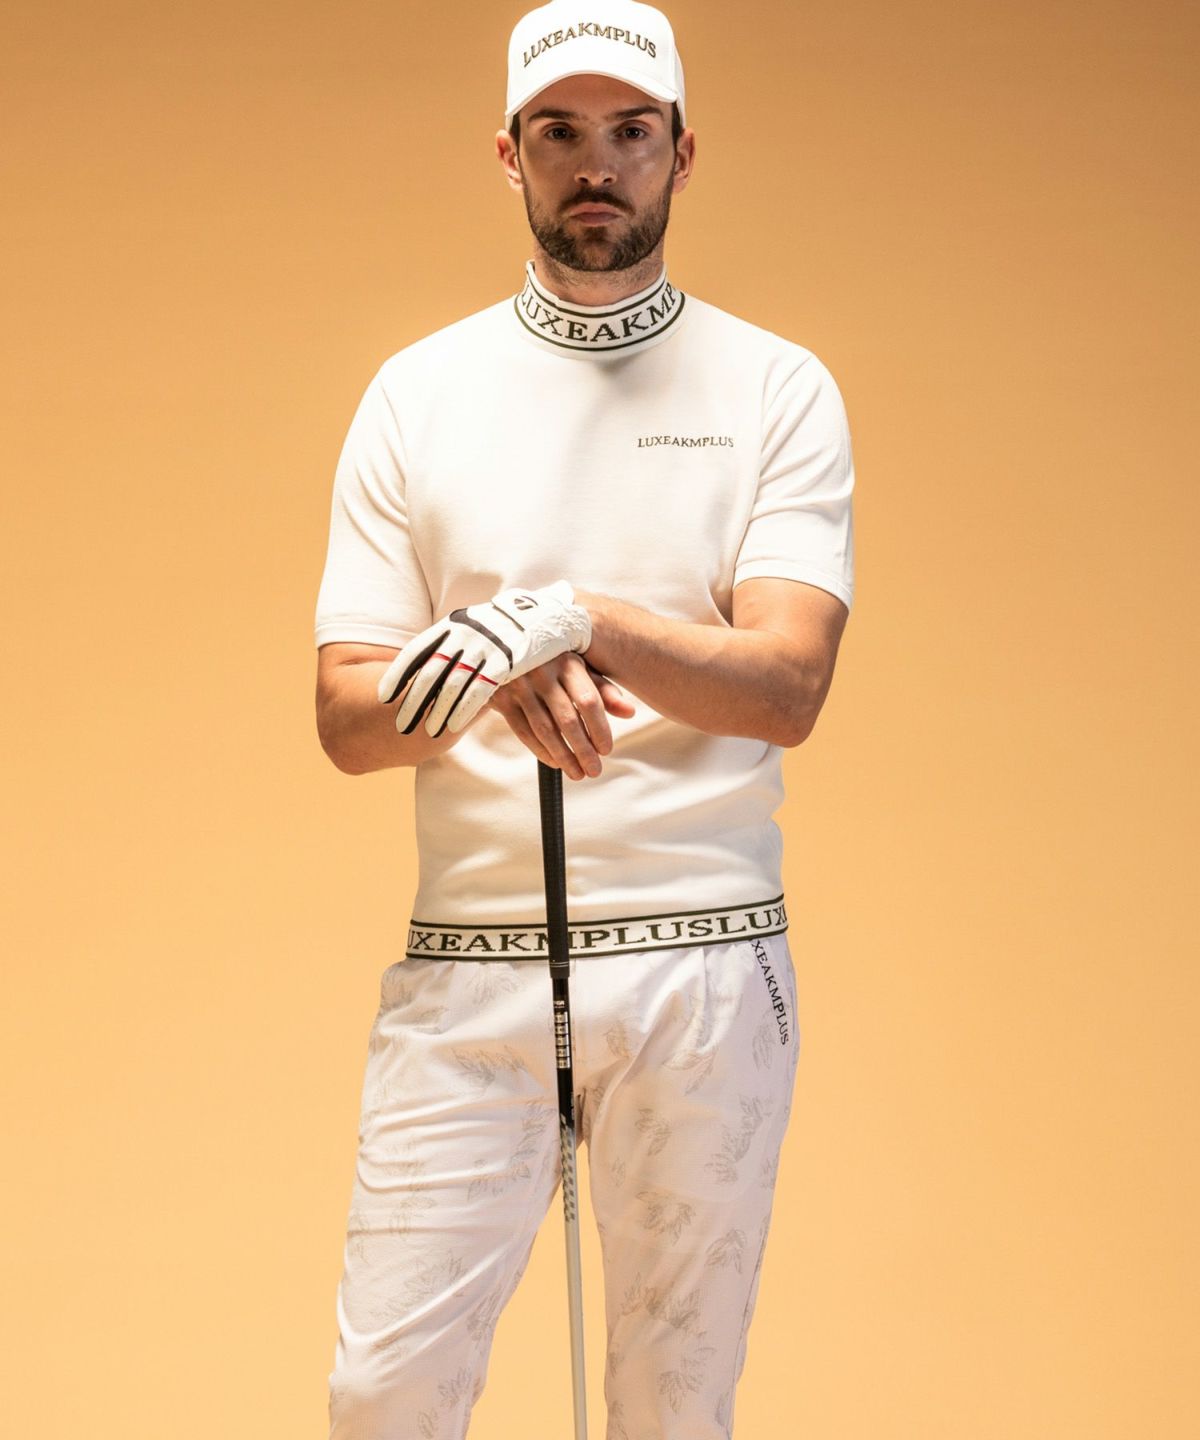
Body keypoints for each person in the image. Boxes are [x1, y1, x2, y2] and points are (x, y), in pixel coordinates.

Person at [313, 0, 855, 1434]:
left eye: (630, 131)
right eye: (559, 132)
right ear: (510, 153)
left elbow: (788, 685)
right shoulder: (418, 394)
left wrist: (576, 619)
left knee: (674, 1407)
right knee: (383, 1396)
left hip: (706, 965)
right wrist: (491, 657)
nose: (595, 163)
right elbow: (350, 716)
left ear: (683, 150)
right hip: (471, 963)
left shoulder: (776, 387)